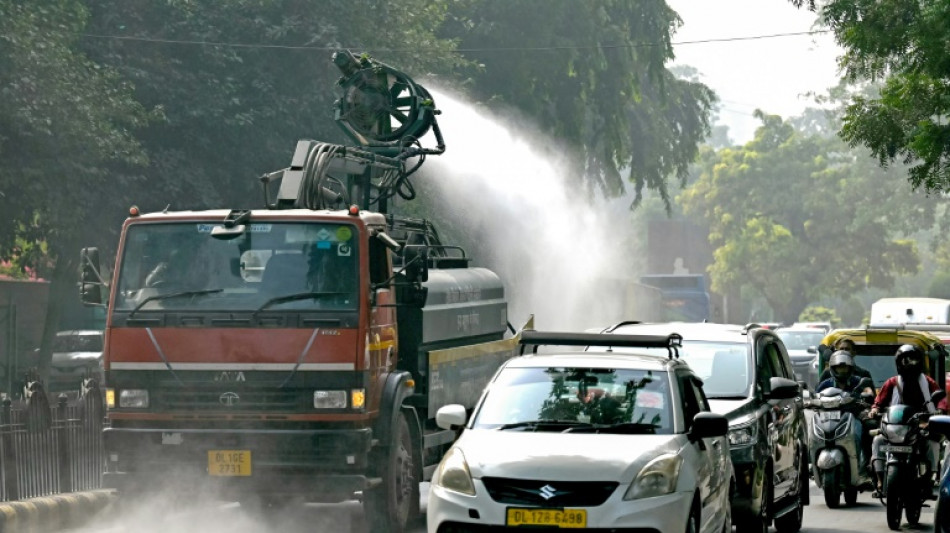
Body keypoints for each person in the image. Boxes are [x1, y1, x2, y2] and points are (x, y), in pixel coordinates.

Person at [868, 344, 946, 495]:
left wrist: (939, 411)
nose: (909, 364)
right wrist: (875, 409)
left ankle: (928, 479)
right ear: (899, 362)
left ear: (919, 362)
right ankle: (879, 479)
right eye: (905, 360)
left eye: (913, 360)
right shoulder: (892, 382)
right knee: (878, 441)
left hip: (920, 425)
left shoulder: (928, 382)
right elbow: (879, 401)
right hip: (896, 426)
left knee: (932, 444)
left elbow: (940, 398)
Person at [815, 351, 874, 470]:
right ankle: (814, 460)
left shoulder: (857, 380)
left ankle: (868, 461)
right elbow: (816, 395)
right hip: (830, 417)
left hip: (853, 415)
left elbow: (868, 390)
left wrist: (866, 394)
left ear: (850, 368)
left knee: (868, 429)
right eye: (839, 368)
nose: (842, 371)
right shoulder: (826, 383)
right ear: (833, 368)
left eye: (845, 368)